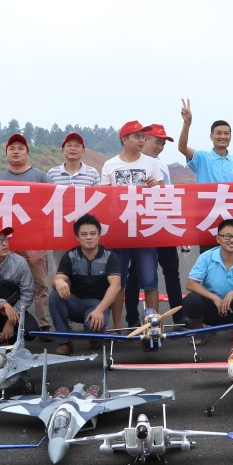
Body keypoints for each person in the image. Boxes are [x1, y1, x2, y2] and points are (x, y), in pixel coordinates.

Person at [101, 120, 166, 326]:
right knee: (118, 282)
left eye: (143, 136)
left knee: (149, 280)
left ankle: (152, 325)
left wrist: (158, 186)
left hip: (146, 229)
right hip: (119, 232)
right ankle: (118, 327)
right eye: (137, 136)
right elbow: (103, 199)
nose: (141, 140)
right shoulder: (110, 165)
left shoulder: (151, 163)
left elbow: (161, 194)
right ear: (124, 139)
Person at [0, 134, 53, 330]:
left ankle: (44, 324)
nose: (16, 151)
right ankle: (14, 324)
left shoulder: (40, 177)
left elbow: (52, 206)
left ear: (27, 153)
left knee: (40, 284)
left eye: (20, 148)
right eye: (12, 148)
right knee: (10, 285)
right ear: (6, 154)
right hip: (9, 243)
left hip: (35, 242)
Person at [49, 214, 122, 354]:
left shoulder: (110, 256)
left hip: (97, 304)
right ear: (77, 237)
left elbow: (116, 286)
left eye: (93, 234)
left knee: (94, 328)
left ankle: (95, 336)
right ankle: (64, 342)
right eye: (84, 234)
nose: (89, 237)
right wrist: (58, 282)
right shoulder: (70, 255)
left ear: (99, 235)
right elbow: (58, 278)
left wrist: (100, 309)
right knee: (54, 296)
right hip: (75, 302)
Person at [132, 123, 184, 315]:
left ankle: (179, 315)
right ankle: (133, 318)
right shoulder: (133, 163)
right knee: (136, 274)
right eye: (157, 142)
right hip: (139, 225)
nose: (160, 147)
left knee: (171, 271)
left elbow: (169, 195)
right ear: (144, 139)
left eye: (163, 143)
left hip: (162, 224)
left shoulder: (161, 164)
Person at [181, 218, 233, 334]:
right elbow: (191, 284)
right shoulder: (206, 256)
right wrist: (214, 298)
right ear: (218, 239)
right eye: (227, 236)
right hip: (211, 308)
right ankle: (199, 332)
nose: (232, 240)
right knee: (191, 301)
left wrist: (232, 293)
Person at [177, 99, 233, 182]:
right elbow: (182, 148)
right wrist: (187, 123)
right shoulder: (202, 158)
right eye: (219, 133)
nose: (223, 136)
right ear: (211, 136)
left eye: (226, 133)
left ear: (230, 137)